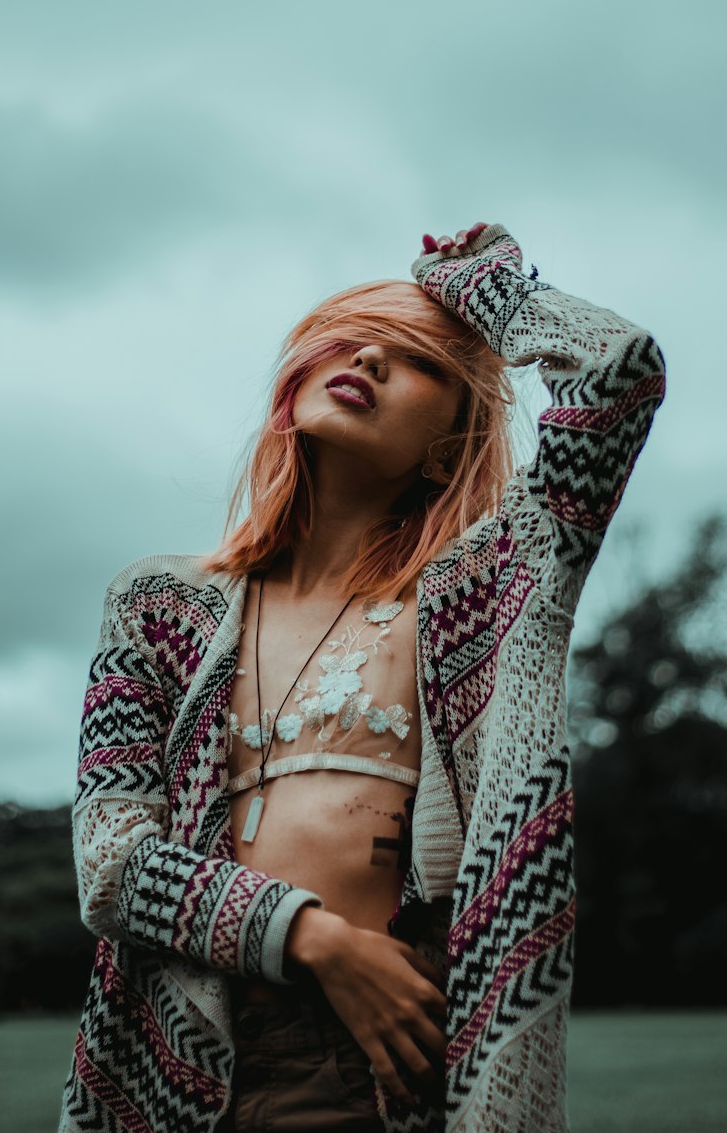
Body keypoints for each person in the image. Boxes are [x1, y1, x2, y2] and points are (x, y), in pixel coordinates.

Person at [58, 220, 666, 1133]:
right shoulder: (156, 607)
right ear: (296, 377)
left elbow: (618, 372)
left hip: (385, 1061)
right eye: (349, 337)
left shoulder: (491, 587)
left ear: (447, 441)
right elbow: (110, 865)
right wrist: (314, 938)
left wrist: (486, 292)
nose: (373, 355)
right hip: (173, 1057)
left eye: (417, 359)